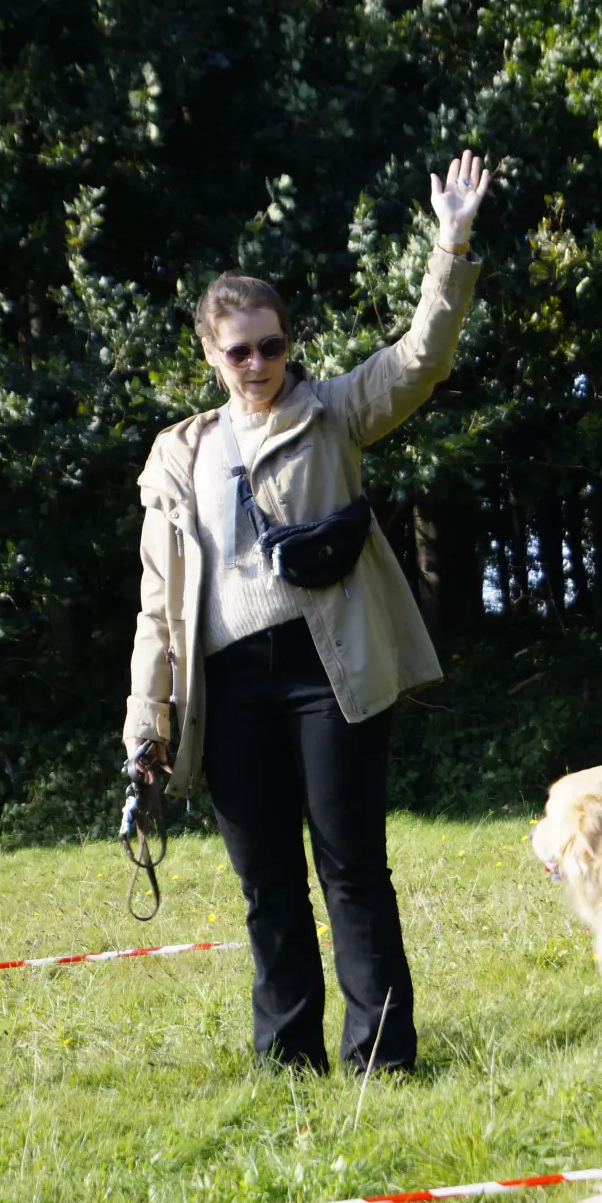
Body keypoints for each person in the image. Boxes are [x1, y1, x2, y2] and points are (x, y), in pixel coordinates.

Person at [123, 149, 489, 1073]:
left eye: (273, 344)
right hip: (226, 688)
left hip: (329, 671)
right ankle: (287, 1063)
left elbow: (421, 357)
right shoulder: (175, 458)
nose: (258, 363)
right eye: (239, 348)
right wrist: (145, 726)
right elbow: (156, 613)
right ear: (209, 352)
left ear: (292, 342)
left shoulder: (333, 413)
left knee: (352, 868)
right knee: (266, 886)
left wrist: (450, 241)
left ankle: (382, 1060)